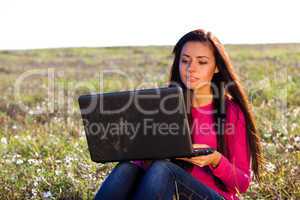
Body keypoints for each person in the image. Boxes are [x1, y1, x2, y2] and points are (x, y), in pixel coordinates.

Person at [94, 29, 264, 200]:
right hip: (169, 193)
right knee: (127, 168)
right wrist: (138, 153)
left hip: (213, 196)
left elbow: (242, 184)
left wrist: (215, 160)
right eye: (185, 61)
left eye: (202, 62)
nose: (191, 69)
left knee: (163, 169)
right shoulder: (164, 106)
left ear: (217, 67)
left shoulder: (232, 112)